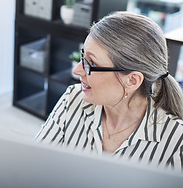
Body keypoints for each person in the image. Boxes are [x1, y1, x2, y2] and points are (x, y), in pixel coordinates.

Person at [36, 11, 183, 172]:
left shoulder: (176, 141)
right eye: (83, 57)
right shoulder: (72, 98)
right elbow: (34, 165)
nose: (77, 70)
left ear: (132, 80)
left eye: (91, 64)